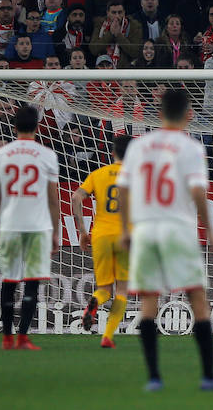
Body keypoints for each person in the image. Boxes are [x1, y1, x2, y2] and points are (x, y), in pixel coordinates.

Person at [115, 90, 213, 391]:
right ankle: (208, 377)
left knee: (149, 304)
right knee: (198, 302)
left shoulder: (140, 147)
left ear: (161, 111)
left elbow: (124, 188)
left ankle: (154, 378)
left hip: (146, 229)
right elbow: (197, 192)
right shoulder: (190, 147)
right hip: (178, 229)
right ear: (187, 112)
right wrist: (210, 229)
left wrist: (126, 229)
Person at [0, 105, 61, 351]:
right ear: (38, 127)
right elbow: (53, 199)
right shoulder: (47, 155)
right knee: (32, 282)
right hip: (38, 227)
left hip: (10, 226)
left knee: (9, 281)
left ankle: (7, 338)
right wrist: (56, 231)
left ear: (13, 126)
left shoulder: (1, 155)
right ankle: (23, 337)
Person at [72, 135, 132, 348]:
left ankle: (94, 303)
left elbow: (76, 197)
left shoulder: (98, 174)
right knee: (122, 290)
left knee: (104, 288)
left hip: (101, 234)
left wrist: (82, 231)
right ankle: (107, 336)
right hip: (126, 236)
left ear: (113, 153)